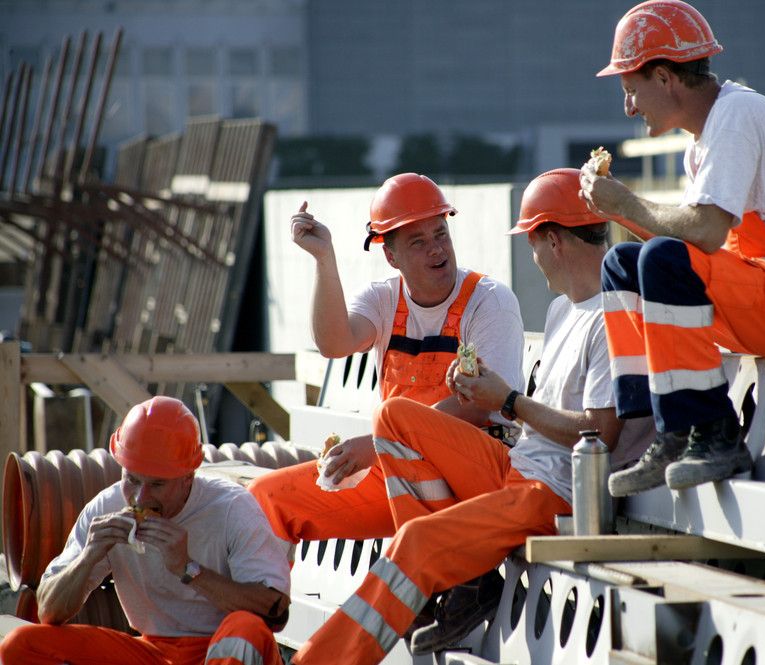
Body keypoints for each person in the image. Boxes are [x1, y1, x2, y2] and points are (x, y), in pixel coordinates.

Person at [289, 167, 653, 665]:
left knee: (415, 542)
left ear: (553, 241)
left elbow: (599, 436)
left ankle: (343, 646)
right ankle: (459, 581)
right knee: (394, 416)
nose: (533, 257)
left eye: (532, 242)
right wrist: (493, 396)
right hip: (519, 469)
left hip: (555, 494)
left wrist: (506, 400)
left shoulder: (613, 315)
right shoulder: (563, 310)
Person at [579, 0, 765, 495]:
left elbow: (705, 233)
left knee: (660, 259)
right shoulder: (706, 137)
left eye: (631, 91)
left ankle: (714, 434)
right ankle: (667, 432)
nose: (630, 108)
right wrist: (621, 211)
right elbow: (693, 244)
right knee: (622, 264)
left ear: (664, 77)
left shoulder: (735, 115)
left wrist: (625, 203)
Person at [249, 172, 525, 545]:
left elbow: (478, 407)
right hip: (400, 466)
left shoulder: (489, 300)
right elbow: (334, 343)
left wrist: (380, 443)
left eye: (440, 234)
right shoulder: (383, 300)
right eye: (418, 242)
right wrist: (324, 259)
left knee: (391, 416)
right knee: (264, 499)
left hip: (480, 470)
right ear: (390, 256)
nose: (436, 249)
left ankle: (434, 569)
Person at [0, 396, 291, 665]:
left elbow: (275, 614)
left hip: (221, 646)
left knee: (246, 629)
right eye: (132, 480)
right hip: (152, 651)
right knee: (20, 645)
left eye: (157, 485)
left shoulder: (231, 507)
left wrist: (188, 569)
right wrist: (88, 558)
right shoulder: (106, 506)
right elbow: (47, 611)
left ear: (188, 478)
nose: (140, 498)